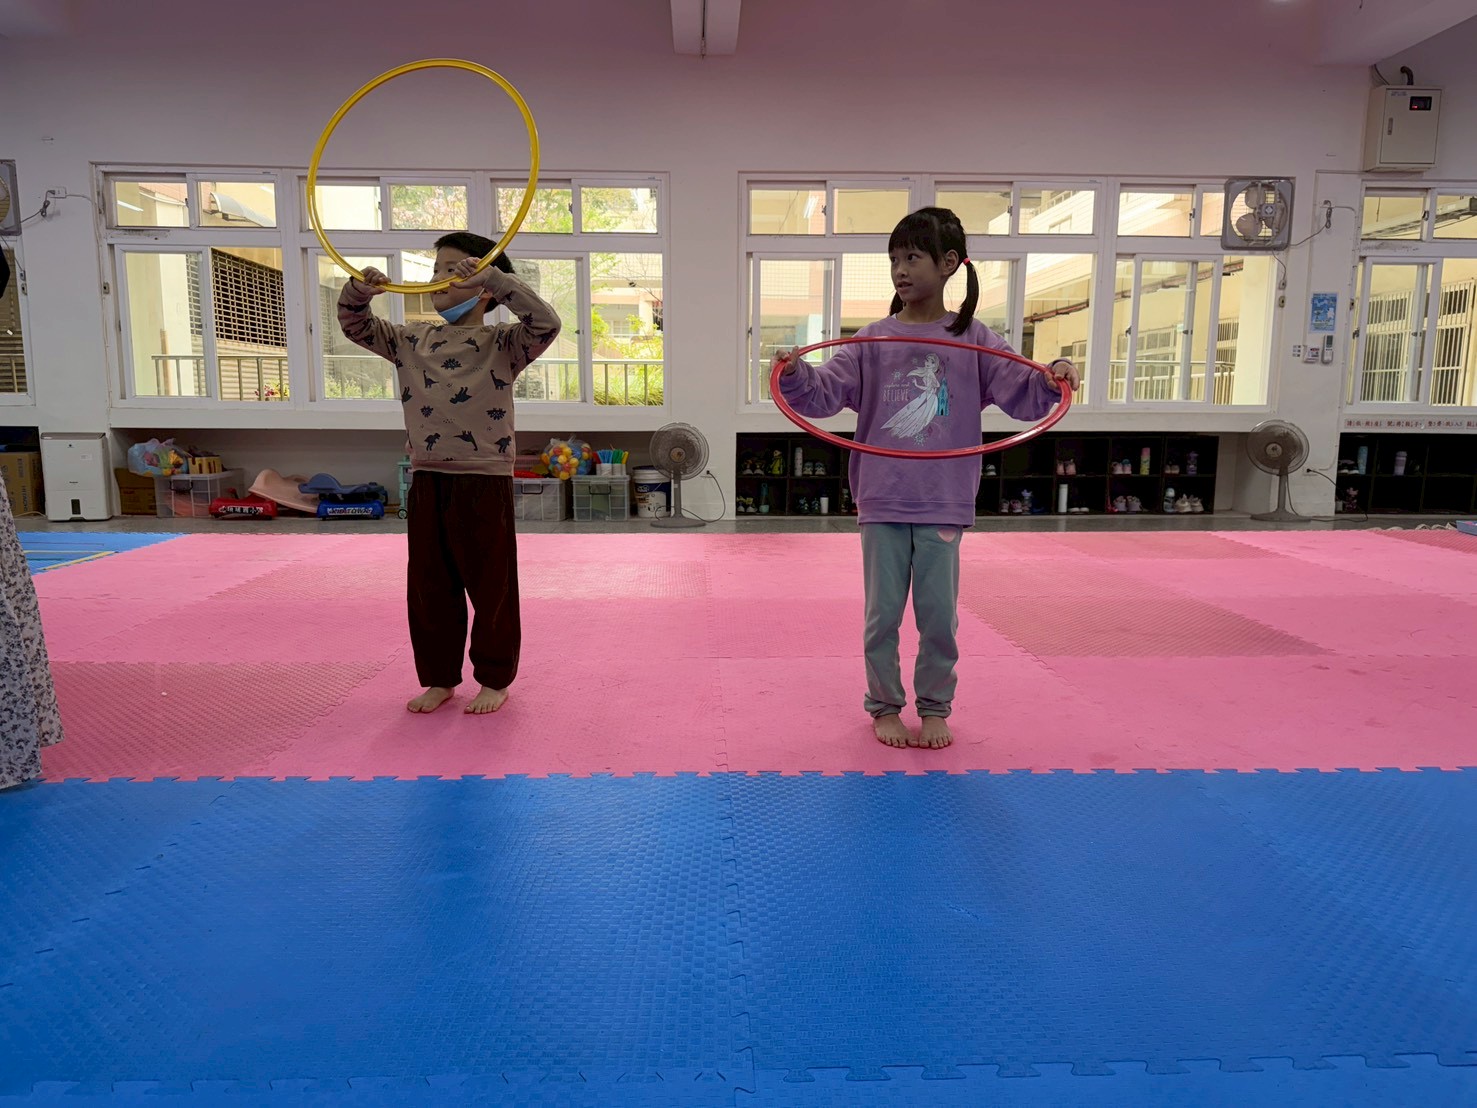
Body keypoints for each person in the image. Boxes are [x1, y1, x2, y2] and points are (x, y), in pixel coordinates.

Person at [775, 207, 1079, 750]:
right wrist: (796, 373)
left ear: (948, 263)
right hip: (883, 498)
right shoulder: (872, 340)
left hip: (943, 498)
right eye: (894, 259)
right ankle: (884, 706)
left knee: (939, 617)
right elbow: (823, 394)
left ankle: (935, 707)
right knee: (882, 617)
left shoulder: (975, 339)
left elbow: (1023, 391)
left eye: (912, 257)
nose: (900, 269)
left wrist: (1052, 377)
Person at [338, 232, 560, 715]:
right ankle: (439, 678)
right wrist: (360, 290)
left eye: (455, 271)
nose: (440, 279)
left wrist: (495, 279)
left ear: (483, 288)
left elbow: (546, 323)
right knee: (429, 587)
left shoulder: (505, 343)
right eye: (436, 269)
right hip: (427, 478)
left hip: (485, 481)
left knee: (491, 585)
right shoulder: (410, 338)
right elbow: (356, 325)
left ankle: (495, 679)